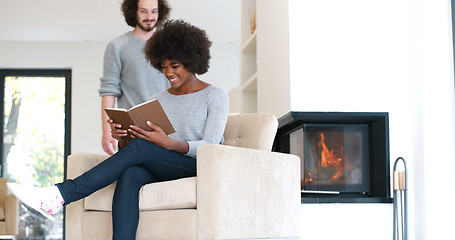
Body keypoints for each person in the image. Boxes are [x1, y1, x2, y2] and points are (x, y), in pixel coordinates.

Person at [7, 19, 229, 239]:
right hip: (161, 164)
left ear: (192, 61)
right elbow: (137, 148)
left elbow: (210, 145)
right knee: (130, 173)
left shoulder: (214, 95)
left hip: (197, 167)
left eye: (175, 66)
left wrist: (168, 143)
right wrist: (122, 136)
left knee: (141, 149)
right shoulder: (157, 99)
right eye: (163, 67)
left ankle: (60, 195)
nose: (168, 73)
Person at [100, 0, 171, 155]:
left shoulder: (168, 45)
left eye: (154, 11)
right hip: (131, 130)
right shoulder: (117, 46)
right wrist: (106, 132)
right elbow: (109, 91)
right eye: (143, 11)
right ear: (134, 12)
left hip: (165, 131)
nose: (149, 16)